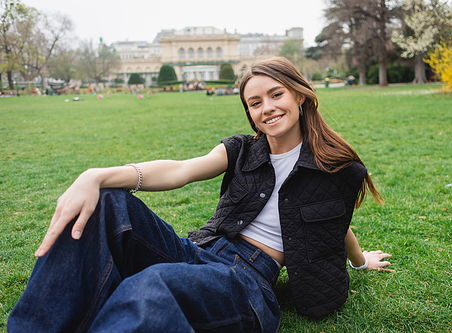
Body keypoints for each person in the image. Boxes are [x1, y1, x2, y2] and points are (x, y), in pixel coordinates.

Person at [8, 57, 391, 333]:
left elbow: (336, 223)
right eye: (254, 103)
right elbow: (180, 169)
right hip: (199, 252)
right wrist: (97, 176)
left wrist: (360, 263)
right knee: (107, 201)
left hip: (249, 284)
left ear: (301, 96)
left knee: (150, 287)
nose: (267, 108)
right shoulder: (242, 150)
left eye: (276, 95)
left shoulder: (336, 167)